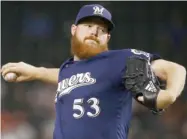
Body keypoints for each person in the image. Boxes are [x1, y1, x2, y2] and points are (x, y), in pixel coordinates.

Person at [1, 4, 186, 139]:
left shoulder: (121, 59)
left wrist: (169, 94)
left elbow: (175, 69)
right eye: (88, 26)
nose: (94, 32)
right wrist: (35, 72)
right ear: (74, 29)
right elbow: (66, 76)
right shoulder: (68, 68)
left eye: (101, 29)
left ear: (108, 37)